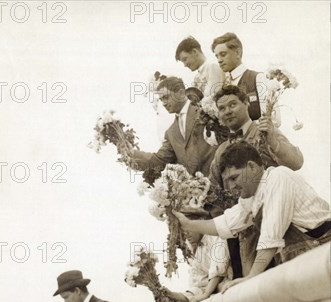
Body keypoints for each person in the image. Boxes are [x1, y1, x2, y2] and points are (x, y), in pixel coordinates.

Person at [175, 141, 331, 290]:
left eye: (234, 178)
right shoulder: (251, 198)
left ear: (252, 166)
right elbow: (226, 223)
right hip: (306, 260)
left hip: (323, 251)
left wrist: (252, 277)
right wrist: (189, 224)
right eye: (227, 181)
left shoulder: (278, 177)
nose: (230, 187)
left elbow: (271, 236)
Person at [209, 85, 304, 278]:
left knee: (291, 283)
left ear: (246, 104)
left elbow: (296, 162)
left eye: (232, 104)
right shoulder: (220, 151)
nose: (227, 111)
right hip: (247, 235)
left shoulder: (265, 130)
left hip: (284, 227)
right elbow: (213, 193)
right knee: (255, 291)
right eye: (222, 108)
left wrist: (273, 141)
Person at [130, 76, 215, 177]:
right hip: (197, 189)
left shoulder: (205, 111)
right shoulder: (170, 133)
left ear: (181, 93)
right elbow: (159, 160)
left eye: (166, 97)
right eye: (161, 100)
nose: (164, 103)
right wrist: (130, 154)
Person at [211, 33, 270, 120]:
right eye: (217, 56)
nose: (219, 60)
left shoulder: (257, 78)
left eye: (223, 54)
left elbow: (272, 118)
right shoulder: (222, 85)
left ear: (238, 53)